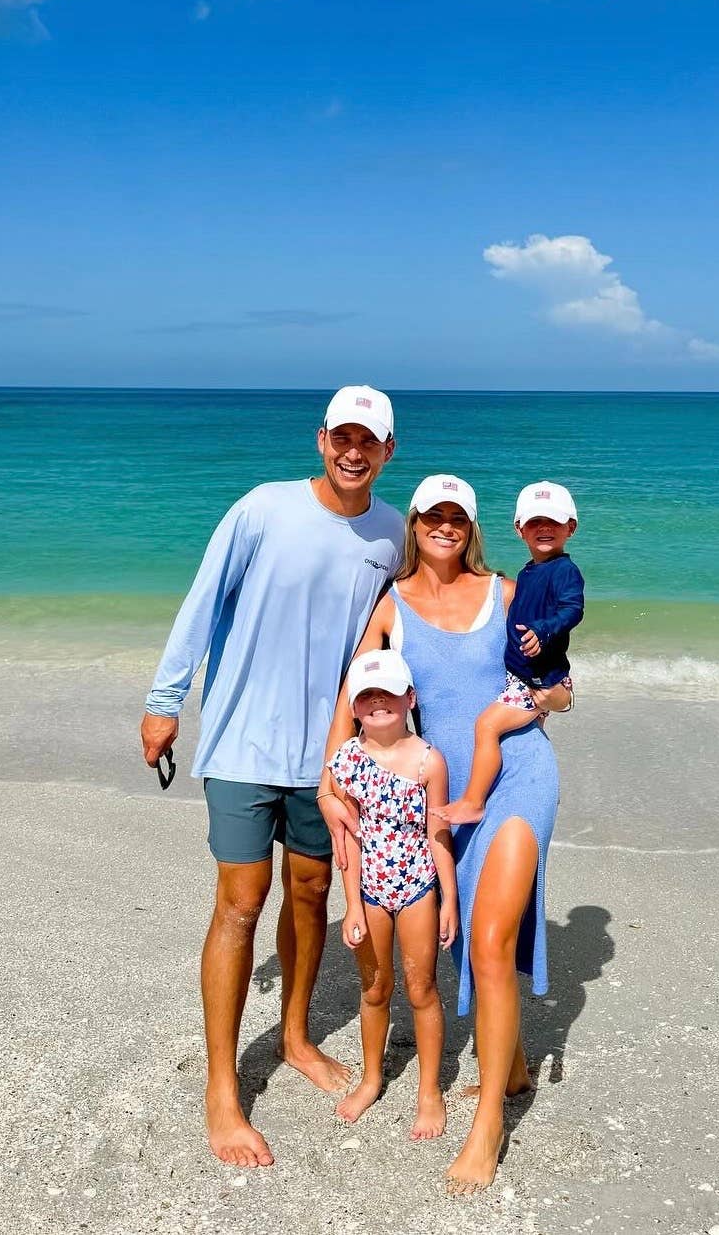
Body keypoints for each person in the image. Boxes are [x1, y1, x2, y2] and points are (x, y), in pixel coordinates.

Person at [139, 386, 404, 1169]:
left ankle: (293, 1036)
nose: (353, 451)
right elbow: (202, 600)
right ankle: (222, 1087)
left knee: (312, 891)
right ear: (321, 440)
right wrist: (163, 700)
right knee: (241, 900)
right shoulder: (263, 508)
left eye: (369, 440)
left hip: (330, 754)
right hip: (243, 741)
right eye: (342, 437)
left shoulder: (393, 533)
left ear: (388, 451)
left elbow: (417, 621)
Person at [319, 474, 571, 1195]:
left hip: (517, 775)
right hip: (442, 795)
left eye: (458, 516)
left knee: (488, 940)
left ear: (472, 526)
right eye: (433, 514)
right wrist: (330, 784)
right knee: (472, 942)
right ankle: (512, 1066)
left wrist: (535, 702)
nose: (445, 526)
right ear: (415, 522)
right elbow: (350, 693)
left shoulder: (506, 592)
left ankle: (487, 1124)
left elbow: (562, 686)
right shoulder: (391, 606)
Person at [325, 648, 457, 1139]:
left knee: (421, 988)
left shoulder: (428, 761)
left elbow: (438, 835)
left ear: (410, 699)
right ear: (354, 707)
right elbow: (347, 841)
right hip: (371, 890)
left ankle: (429, 1091)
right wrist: (352, 907)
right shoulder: (347, 761)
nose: (379, 702)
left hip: (419, 885)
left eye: (389, 693)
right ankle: (371, 1078)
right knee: (375, 989)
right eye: (368, 696)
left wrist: (449, 900)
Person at [437, 480, 583, 826]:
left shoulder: (565, 571)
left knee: (487, 726)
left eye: (553, 521)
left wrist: (544, 631)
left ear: (571, 528)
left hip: (538, 678)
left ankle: (473, 802)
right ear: (520, 529)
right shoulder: (528, 571)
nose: (544, 528)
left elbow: (572, 609)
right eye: (535, 522)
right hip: (526, 675)